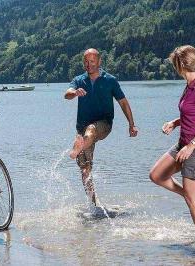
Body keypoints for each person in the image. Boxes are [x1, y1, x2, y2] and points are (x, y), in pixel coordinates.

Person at [149, 45, 195, 248]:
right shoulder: (190, 86)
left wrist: (191, 146)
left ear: (180, 65)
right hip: (183, 144)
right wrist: (175, 122)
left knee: (193, 200)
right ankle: (187, 193)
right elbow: (192, 114)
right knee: (156, 175)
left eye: (174, 64)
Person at [64, 48, 138, 208]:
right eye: (85, 61)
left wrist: (131, 124)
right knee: (85, 169)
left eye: (92, 61)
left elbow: (123, 102)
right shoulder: (79, 80)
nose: (88, 64)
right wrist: (75, 92)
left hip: (103, 124)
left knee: (91, 129)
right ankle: (94, 205)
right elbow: (67, 93)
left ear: (99, 62)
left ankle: (78, 148)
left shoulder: (110, 80)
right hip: (82, 129)